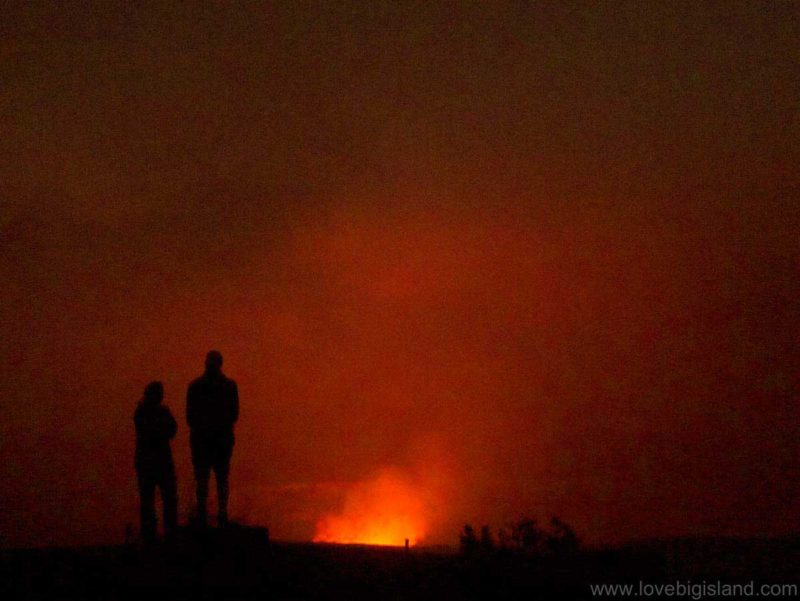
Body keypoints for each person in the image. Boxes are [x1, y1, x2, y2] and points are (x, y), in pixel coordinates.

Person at [186, 350, 239, 527]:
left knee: (205, 478)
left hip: (205, 440)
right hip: (219, 439)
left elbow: (190, 416)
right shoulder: (228, 386)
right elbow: (234, 414)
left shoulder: (196, 387)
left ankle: (204, 514)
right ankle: (220, 514)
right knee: (219, 478)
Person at [134, 381, 178, 542]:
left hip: (153, 461)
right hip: (155, 461)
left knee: (160, 498)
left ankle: (162, 533)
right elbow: (168, 430)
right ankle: (154, 533)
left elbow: (172, 429)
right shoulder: (143, 412)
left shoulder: (144, 412)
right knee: (152, 499)